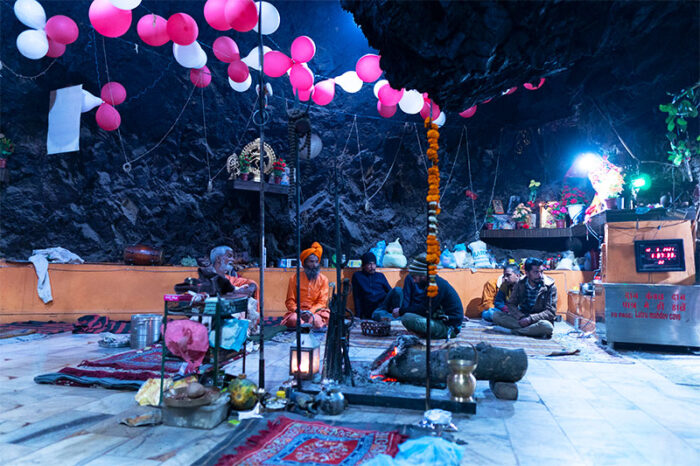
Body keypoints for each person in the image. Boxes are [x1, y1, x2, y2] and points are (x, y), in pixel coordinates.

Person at [399, 254, 464, 339]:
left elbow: (424, 310)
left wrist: (401, 311)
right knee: (409, 316)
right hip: (442, 322)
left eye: (415, 277)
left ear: (424, 275)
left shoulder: (436, 286)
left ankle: (422, 334)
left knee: (407, 318)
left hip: (449, 328)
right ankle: (420, 333)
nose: (414, 281)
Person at [492, 257, 556, 339]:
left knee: (547, 327)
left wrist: (530, 319)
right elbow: (511, 304)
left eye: (541, 272)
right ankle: (531, 331)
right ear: (527, 273)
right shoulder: (520, 283)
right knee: (496, 315)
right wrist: (521, 317)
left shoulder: (550, 286)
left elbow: (551, 312)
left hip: (538, 320)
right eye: (536, 272)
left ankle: (516, 331)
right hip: (522, 318)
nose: (540, 275)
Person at [282, 242, 330, 329]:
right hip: (298, 311)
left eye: (316, 262)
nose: (314, 265)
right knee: (293, 320)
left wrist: (311, 312)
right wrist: (298, 311)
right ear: (304, 263)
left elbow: (322, 302)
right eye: (311, 262)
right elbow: (290, 301)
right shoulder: (294, 278)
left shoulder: (324, 279)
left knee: (316, 322)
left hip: (316, 312)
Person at [351, 252, 402, 321]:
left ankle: (398, 313)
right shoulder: (357, 276)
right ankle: (397, 318)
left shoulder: (380, 275)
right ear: (363, 266)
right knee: (378, 315)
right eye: (369, 264)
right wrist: (358, 315)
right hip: (373, 310)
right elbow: (356, 296)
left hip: (384, 304)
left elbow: (390, 291)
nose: (372, 267)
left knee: (397, 290)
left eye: (374, 264)